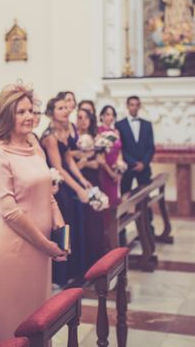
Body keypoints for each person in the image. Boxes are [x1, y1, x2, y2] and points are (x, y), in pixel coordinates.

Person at [0, 83, 66, 346]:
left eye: (31, 111)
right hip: (13, 248)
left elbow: (47, 193)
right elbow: (9, 212)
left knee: (38, 314)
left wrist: (62, 230)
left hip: (42, 248)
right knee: (12, 318)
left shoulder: (33, 143)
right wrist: (46, 245)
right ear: (7, 115)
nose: (29, 116)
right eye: (21, 112)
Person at [41, 96, 92, 286]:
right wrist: (78, 189)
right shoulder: (49, 136)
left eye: (66, 107)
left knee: (77, 217)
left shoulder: (64, 131)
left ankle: (75, 270)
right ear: (51, 113)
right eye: (60, 108)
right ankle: (60, 275)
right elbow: (59, 167)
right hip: (56, 185)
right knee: (66, 220)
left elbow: (69, 160)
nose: (65, 111)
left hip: (66, 179)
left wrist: (83, 180)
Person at [74, 108, 105, 269]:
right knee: (83, 221)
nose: (83, 120)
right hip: (78, 183)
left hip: (93, 181)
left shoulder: (96, 139)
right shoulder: (73, 138)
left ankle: (96, 259)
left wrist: (85, 161)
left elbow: (99, 162)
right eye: (80, 117)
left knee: (95, 219)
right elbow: (71, 162)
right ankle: (83, 262)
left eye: (86, 117)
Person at [116, 96, 154, 196]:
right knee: (125, 195)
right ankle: (125, 213)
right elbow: (121, 148)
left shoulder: (147, 124)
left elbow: (151, 147)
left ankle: (145, 212)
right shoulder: (119, 125)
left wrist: (143, 163)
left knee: (145, 197)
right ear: (127, 106)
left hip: (144, 167)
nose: (134, 107)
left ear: (139, 106)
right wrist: (133, 162)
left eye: (137, 105)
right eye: (132, 105)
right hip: (127, 167)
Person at [98, 105, 124, 207]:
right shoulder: (98, 131)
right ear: (102, 116)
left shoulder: (116, 132)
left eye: (112, 115)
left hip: (115, 168)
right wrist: (110, 173)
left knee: (114, 200)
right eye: (108, 114)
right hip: (104, 169)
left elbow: (119, 151)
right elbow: (100, 154)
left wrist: (119, 170)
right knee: (106, 199)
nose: (110, 117)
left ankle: (113, 222)